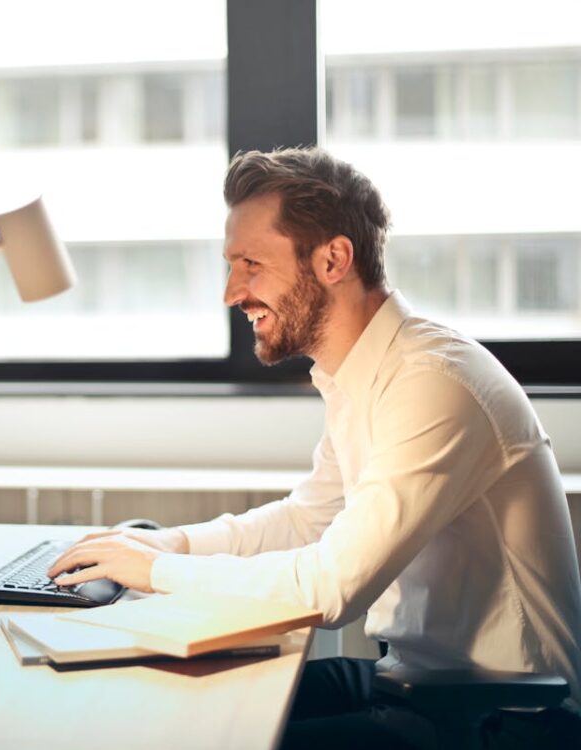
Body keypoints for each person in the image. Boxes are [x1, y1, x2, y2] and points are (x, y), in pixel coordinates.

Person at [48, 147, 581, 748]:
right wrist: (172, 543)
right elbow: (309, 519)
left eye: (250, 263)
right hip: (415, 685)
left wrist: (157, 570)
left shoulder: (435, 383)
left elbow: (332, 588)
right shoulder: (363, 373)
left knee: (204, 733)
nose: (231, 292)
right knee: (169, 701)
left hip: (503, 720)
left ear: (333, 259)